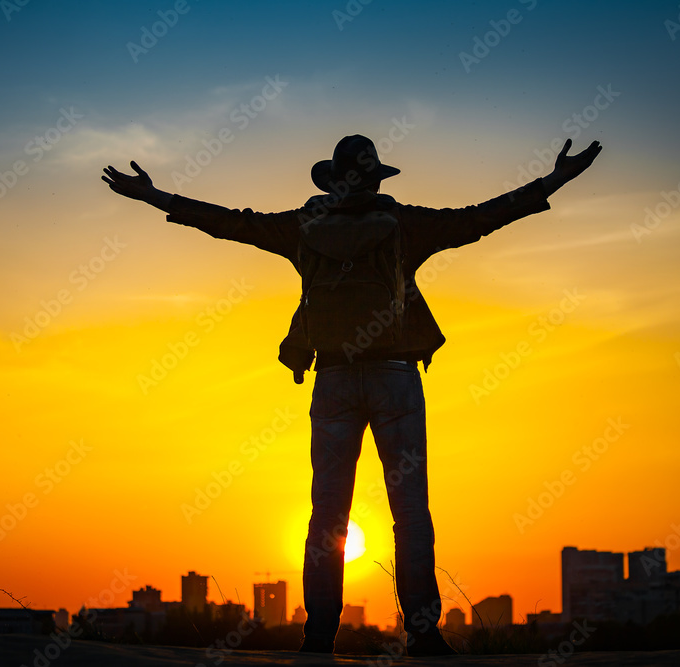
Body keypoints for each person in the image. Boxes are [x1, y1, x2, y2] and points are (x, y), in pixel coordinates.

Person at [102, 133, 601, 656]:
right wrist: (555, 180)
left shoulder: (302, 226)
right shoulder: (404, 224)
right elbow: (479, 218)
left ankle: (318, 635)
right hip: (395, 378)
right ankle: (424, 633)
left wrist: (155, 196)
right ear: (375, 178)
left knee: (327, 516)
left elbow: (231, 222)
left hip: (334, 380)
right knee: (410, 514)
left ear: (334, 179)